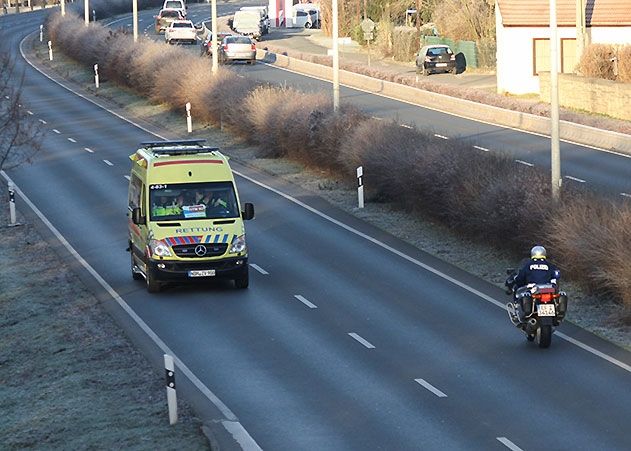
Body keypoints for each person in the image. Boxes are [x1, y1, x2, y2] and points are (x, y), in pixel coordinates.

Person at [508, 245, 559, 321]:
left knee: (519, 291)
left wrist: (517, 281)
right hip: (547, 289)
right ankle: (556, 311)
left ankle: (517, 311)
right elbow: (556, 275)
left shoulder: (528, 265)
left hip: (533, 289)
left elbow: (521, 277)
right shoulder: (550, 265)